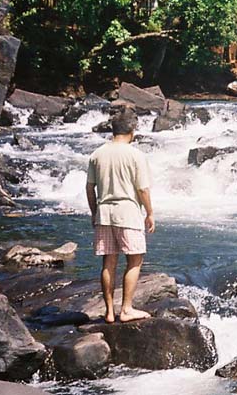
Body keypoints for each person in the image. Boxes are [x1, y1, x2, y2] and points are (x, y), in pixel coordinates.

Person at [86, 109, 156, 324]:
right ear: (132, 131)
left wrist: (94, 212)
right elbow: (142, 189)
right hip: (128, 213)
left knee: (108, 262)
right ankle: (126, 309)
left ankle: (109, 312)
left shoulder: (97, 154)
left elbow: (90, 188)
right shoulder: (136, 155)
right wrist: (150, 213)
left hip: (104, 213)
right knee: (135, 260)